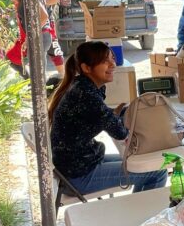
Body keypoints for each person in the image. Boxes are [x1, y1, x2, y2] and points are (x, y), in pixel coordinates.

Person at [48, 41, 167, 194]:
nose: (113, 64)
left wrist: (123, 113)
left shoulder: (81, 86)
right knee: (157, 172)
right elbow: (120, 132)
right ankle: (142, 214)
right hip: (79, 176)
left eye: (112, 59)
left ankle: (138, 209)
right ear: (86, 68)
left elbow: (105, 115)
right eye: (105, 61)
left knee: (143, 163)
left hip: (80, 163)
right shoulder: (86, 95)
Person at [9, 0, 65, 76]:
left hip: (45, 22)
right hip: (31, 26)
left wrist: (34, 1)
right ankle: (36, 84)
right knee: (33, 61)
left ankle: (63, 79)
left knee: (55, 52)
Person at [1, 0, 54, 79]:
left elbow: (44, 16)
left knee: (38, 75)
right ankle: (31, 86)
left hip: (39, 37)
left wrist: (29, 35)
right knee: (12, 58)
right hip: (37, 37)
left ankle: (37, 90)